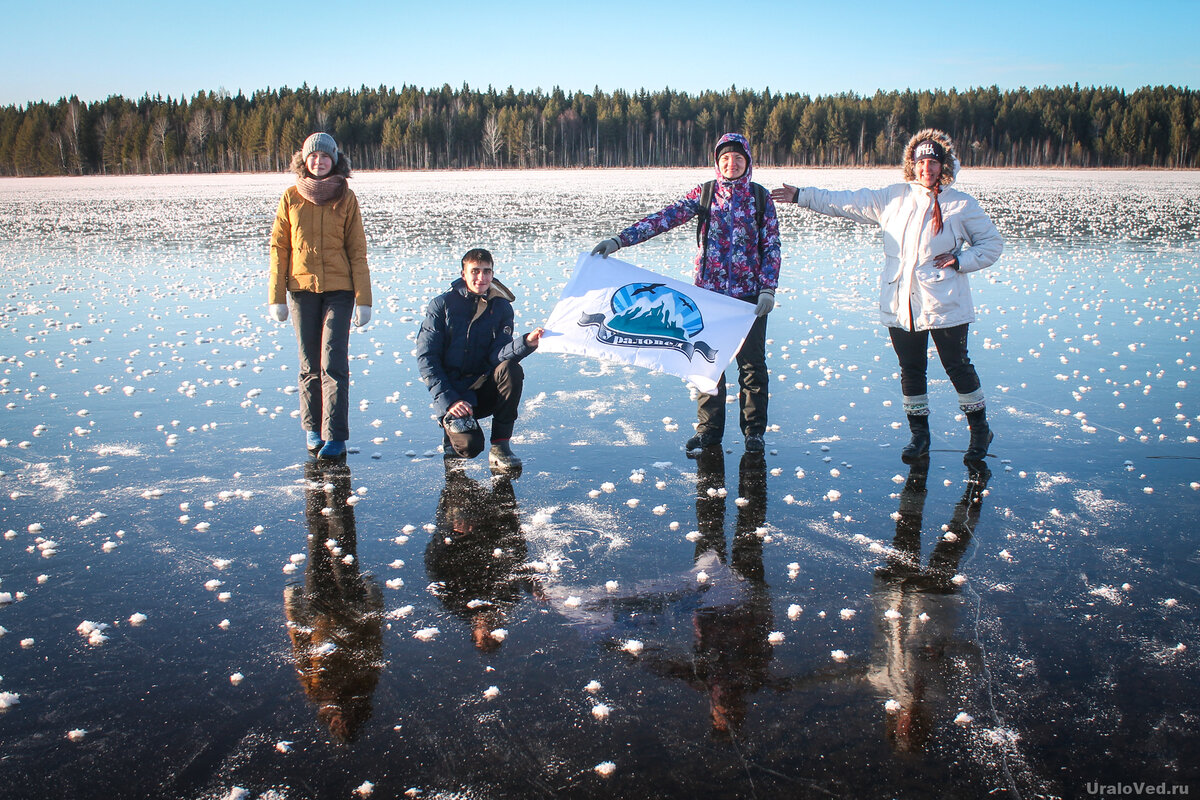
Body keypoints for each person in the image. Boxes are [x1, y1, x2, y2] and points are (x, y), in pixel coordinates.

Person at [771, 128, 1003, 464]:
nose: (927, 168)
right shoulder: (893, 198)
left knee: (957, 366)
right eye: (921, 161)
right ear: (912, 164)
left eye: (933, 162)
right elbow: (845, 201)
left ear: (944, 166)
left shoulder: (960, 205)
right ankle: (919, 436)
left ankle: (980, 431)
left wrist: (961, 260)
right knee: (911, 369)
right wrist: (801, 195)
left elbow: (992, 245)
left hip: (944, 303)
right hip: (901, 302)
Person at [592, 132, 781, 454]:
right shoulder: (705, 193)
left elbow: (771, 246)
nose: (731, 163)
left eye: (737, 158)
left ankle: (754, 433)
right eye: (725, 159)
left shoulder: (760, 198)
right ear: (718, 163)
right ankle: (709, 431)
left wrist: (767, 289)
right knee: (709, 363)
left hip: (749, 299)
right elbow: (663, 219)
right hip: (709, 296)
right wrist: (619, 240)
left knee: (752, 366)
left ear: (747, 162)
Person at [268, 132, 372, 460]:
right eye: (313, 157)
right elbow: (279, 248)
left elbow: (357, 250)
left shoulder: (347, 197)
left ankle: (336, 436)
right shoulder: (290, 197)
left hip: (340, 292)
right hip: (301, 292)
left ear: (334, 160)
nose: (319, 161)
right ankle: (313, 428)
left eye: (325, 157)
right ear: (304, 160)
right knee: (309, 363)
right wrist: (276, 297)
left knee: (333, 363)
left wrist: (363, 298)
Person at [415, 248, 543, 471]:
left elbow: (498, 355)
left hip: (482, 389)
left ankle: (501, 447)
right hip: (453, 393)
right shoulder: (442, 305)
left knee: (510, 369)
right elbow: (427, 358)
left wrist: (527, 343)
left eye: (487, 271)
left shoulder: (501, 307)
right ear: (463, 274)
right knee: (470, 447)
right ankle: (451, 431)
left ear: (493, 274)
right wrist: (450, 401)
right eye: (475, 271)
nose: (481, 278)